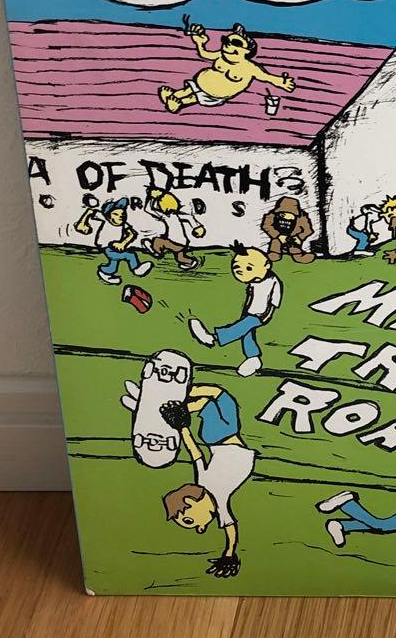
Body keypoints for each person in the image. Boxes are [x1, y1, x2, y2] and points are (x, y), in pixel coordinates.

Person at [156, 384, 256, 579]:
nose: (201, 528)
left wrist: (182, 428)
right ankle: (185, 401)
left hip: (218, 437)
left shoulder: (204, 483)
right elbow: (230, 529)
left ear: (190, 501)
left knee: (218, 396)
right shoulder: (219, 503)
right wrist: (229, 554)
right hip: (223, 438)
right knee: (215, 400)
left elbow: (196, 455)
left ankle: (185, 393)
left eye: (190, 521)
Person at [158, 20, 295, 113]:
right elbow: (205, 54)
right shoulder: (220, 55)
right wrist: (200, 42)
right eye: (226, 40)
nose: (228, 44)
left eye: (236, 43)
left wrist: (281, 82)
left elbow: (266, 77)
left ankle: (176, 102)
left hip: (216, 96)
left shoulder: (249, 67)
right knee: (188, 90)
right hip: (199, 83)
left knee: (193, 98)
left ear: (247, 51)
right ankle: (173, 97)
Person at [187, 243, 282, 376]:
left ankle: (213, 338)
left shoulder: (273, 281)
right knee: (247, 336)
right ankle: (253, 359)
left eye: (249, 268)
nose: (241, 272)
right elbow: (251, 297)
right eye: (237, 268)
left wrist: (267, 315)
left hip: (260, 315)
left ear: (266, 265)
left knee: (240, 329)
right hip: (249, 313)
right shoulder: (254, 281)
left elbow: (274, 302)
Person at [74, 197, 153, 284]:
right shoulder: (105, 219)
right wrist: (82, 223)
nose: (120, 216)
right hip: (107, 247)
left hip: (115, 247)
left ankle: (105, 273)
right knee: (130, 255)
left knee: (113, 265)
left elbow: (132, 234)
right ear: (108, 215)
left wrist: (123, 243)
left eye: (123, 214)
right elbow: (90, 211)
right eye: (115, 214)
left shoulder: (124, 225)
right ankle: (136, 269)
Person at [142, 187, 204, 270]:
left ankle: (156, 252)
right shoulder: (177, 215)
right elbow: (190, 219)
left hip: (174, 242)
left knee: (158, 241)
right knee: (180, 258)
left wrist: (151, 198)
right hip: (183, 243)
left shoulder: (166, 216)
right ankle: (191, 262)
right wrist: (197, 227)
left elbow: (148, 209)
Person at [261, 196, 315, 264]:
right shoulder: (272, 216)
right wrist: (278, 235)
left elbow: (308, 230)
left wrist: (299, 237)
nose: (286, 217)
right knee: (275, 244)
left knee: (295, 249)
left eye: (289, 215)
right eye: (283, 214)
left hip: (293, 239)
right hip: (278, 238)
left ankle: (300, 257)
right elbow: (266, 226)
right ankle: (274, 254)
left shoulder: (302, 218)